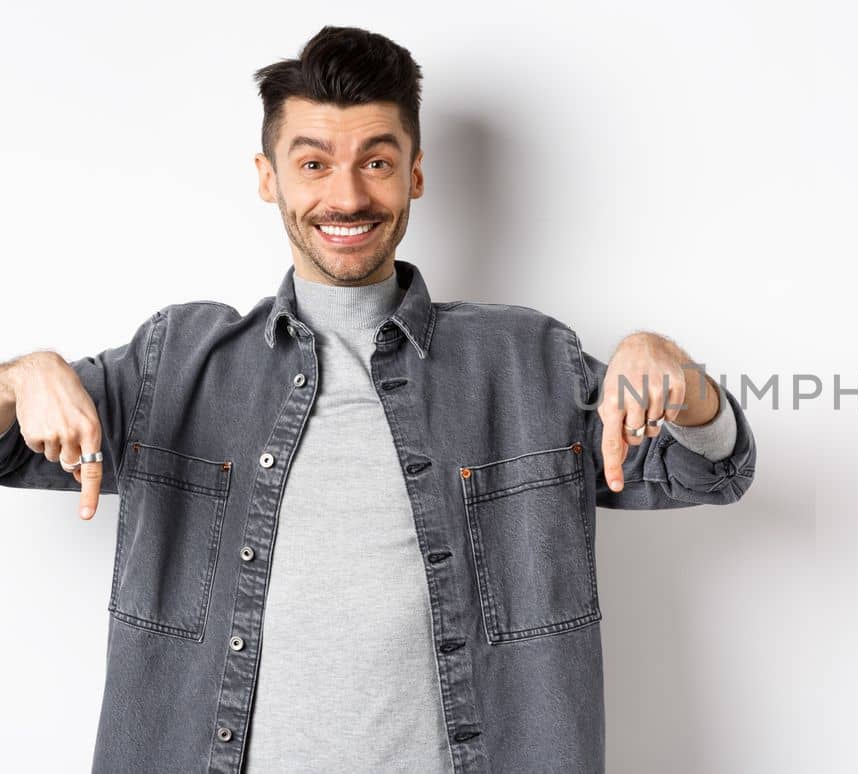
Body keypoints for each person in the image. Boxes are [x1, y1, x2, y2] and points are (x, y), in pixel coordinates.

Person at [0, 25, 756, 773]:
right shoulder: (177, 364)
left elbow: (710, 470)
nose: (347, 194)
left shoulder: (527, 364)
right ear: (269, 177)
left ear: (415, 174)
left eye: (377, 161)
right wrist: (20, 376)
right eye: (313, 162)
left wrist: (678, 378)